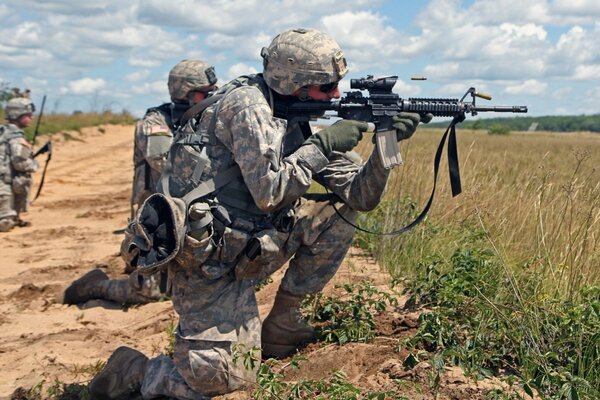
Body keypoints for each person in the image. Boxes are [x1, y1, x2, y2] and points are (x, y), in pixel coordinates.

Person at [89, 28, 430, 399]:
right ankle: (138, 370)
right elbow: (270, 192)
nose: (335, 95)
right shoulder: (247, 107)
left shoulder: (292, 115)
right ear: (295, 83)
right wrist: (322, 144)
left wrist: (385, 147)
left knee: (334, 210)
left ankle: (284, 323)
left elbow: (359, 196)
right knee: (221, 381)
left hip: (251, 247)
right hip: (209, 266)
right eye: (325, 87)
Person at [62, 59, 218, 305]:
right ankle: (96, 287)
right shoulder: (156, 124)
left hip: (184, 212)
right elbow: (169, 164)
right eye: (205, 93)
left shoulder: (201, 119)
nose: (212, 97)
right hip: (157, 218)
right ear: (184, 92)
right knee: (153, 293)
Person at [0, 96, 40, 232]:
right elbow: (20, 164)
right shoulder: (15, 137)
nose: (32, 118)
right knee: (5, 223)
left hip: (4, 185)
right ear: (18, 115)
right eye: (28, 115)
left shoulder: (3, 132)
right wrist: (34, 164)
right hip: (4, 187)